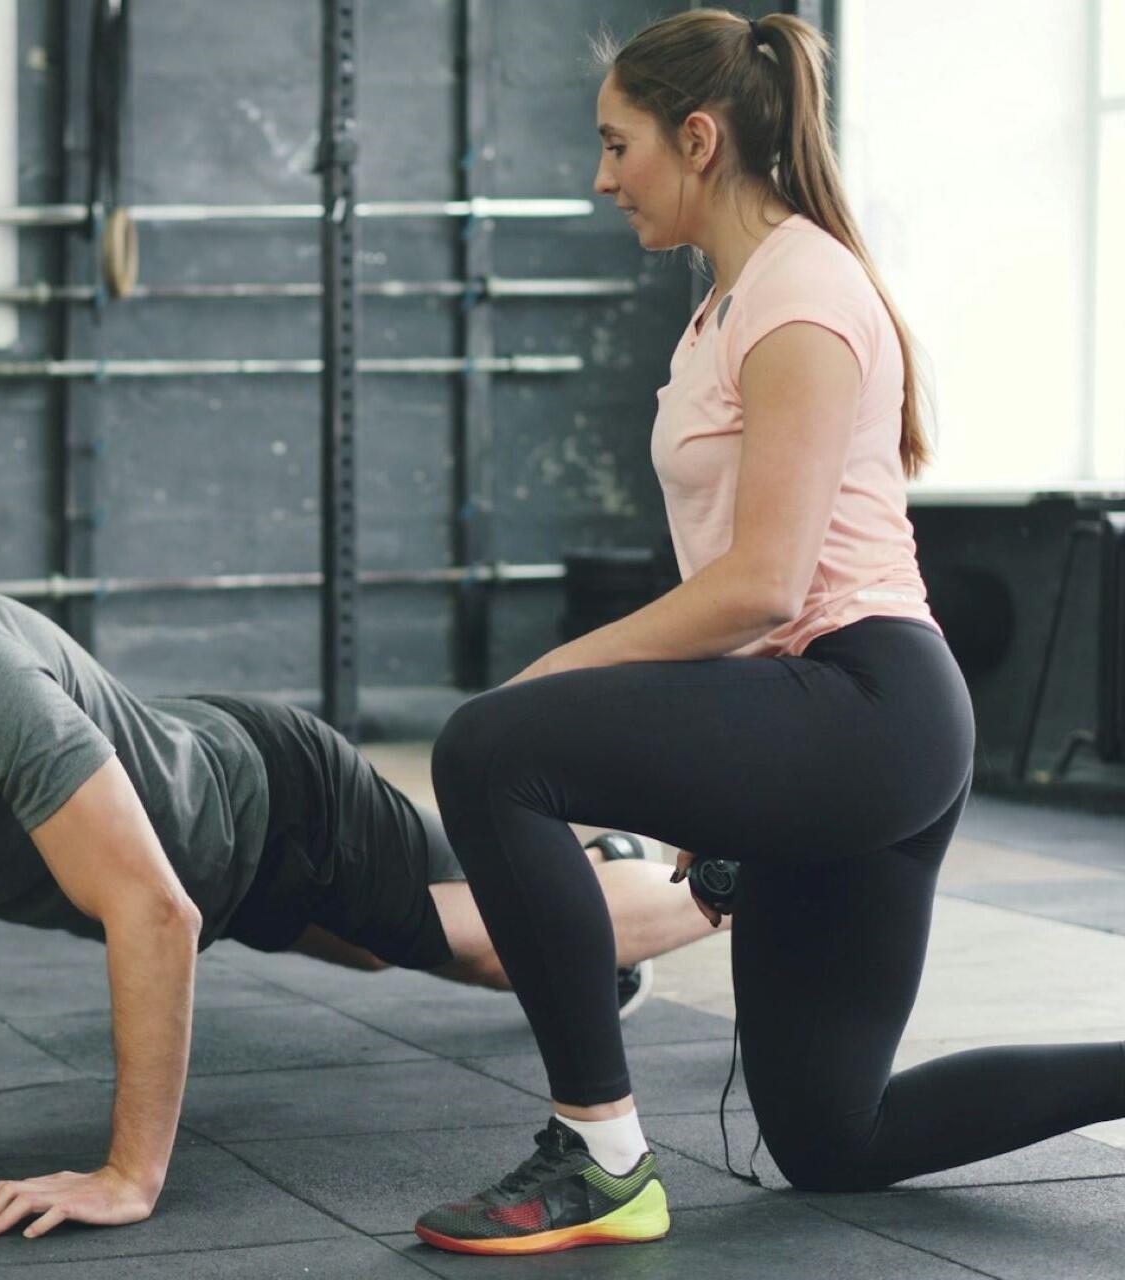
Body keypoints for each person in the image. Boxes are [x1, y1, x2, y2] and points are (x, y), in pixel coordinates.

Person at [412, 9, 1125, 1258]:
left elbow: (765, 584)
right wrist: (726, 797)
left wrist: (552, 671)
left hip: (866, 704)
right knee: (834, 1137)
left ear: (698, 138)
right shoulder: (734, 301)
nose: (599, 175)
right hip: (833, 717)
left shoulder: (799, 294)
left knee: (490, 746)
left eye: (615, 143)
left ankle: (602, 1152)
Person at [0, 581, 719, 1239]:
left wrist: (128, 1174)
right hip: (210, 828)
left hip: (275, 808)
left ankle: (732, 874)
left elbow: (155, 910)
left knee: (479, 939)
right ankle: (602, 880)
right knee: (402, 949)